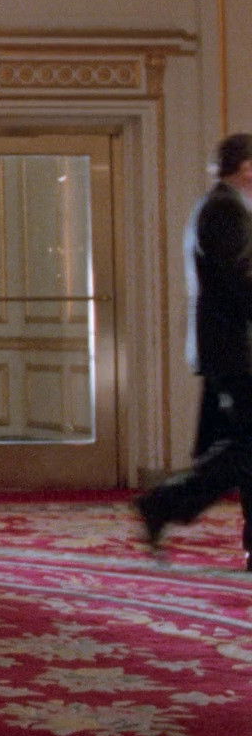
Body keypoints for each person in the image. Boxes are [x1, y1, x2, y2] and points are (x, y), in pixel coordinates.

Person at [137, 133, 252, 569]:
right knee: (242, 451)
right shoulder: (224, 210)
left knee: (239, 450)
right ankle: (163, 503)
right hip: (235, 353)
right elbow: (240, 283)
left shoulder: (223, 206)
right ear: (246, 167)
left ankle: (165, 505)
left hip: (229, 351)